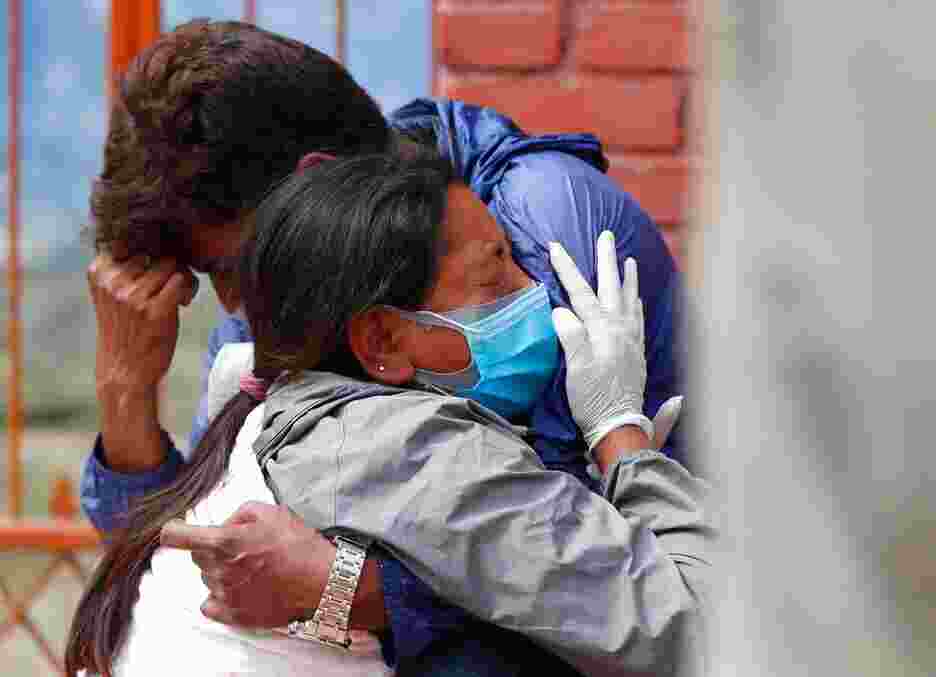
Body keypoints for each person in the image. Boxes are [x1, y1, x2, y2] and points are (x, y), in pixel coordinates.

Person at [81, 19, 686, 669]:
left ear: (311, 183)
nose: (234, 305)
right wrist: (126, 393)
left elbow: (578, 586)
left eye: (227, 269)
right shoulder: (289, 302)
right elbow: (187, 579)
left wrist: (355, 590)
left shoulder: (532, 228)